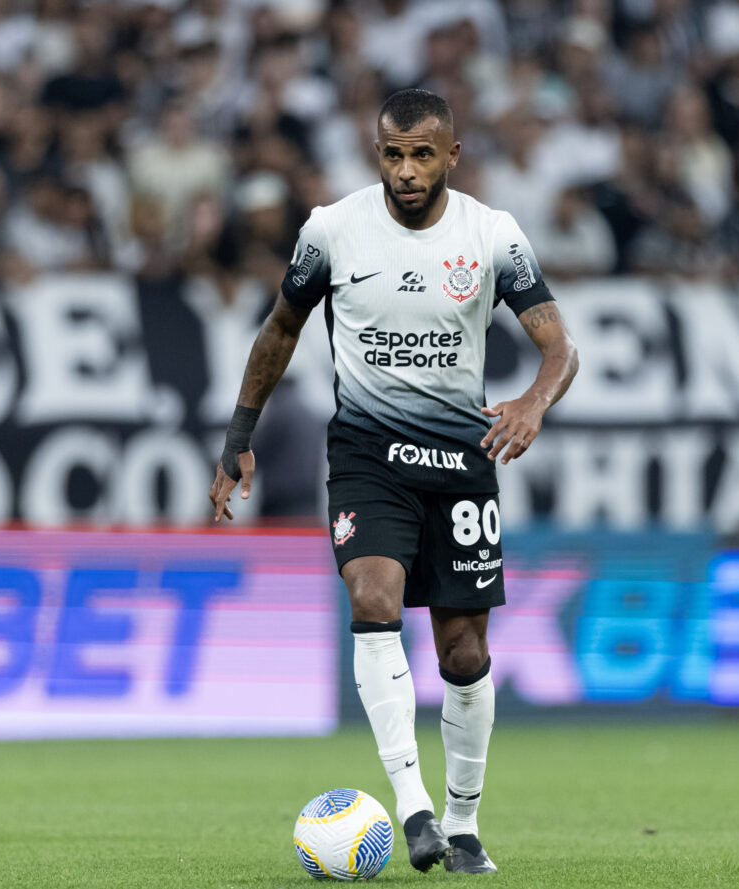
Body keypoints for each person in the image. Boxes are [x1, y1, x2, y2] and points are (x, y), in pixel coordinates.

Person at [208, 89, 579, 875]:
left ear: (452, 156)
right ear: (377, 153)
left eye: (421, 155)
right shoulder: (331, 230)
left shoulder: (492, 235)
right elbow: (280, 329)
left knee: (464, 653)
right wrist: (239, 436)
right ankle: (413, 810)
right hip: (367, 458)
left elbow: (560, 347)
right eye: (393, 154)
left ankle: (463, 822)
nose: (406, 171)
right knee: (372, 599)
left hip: (461, 463)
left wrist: (533, 402)